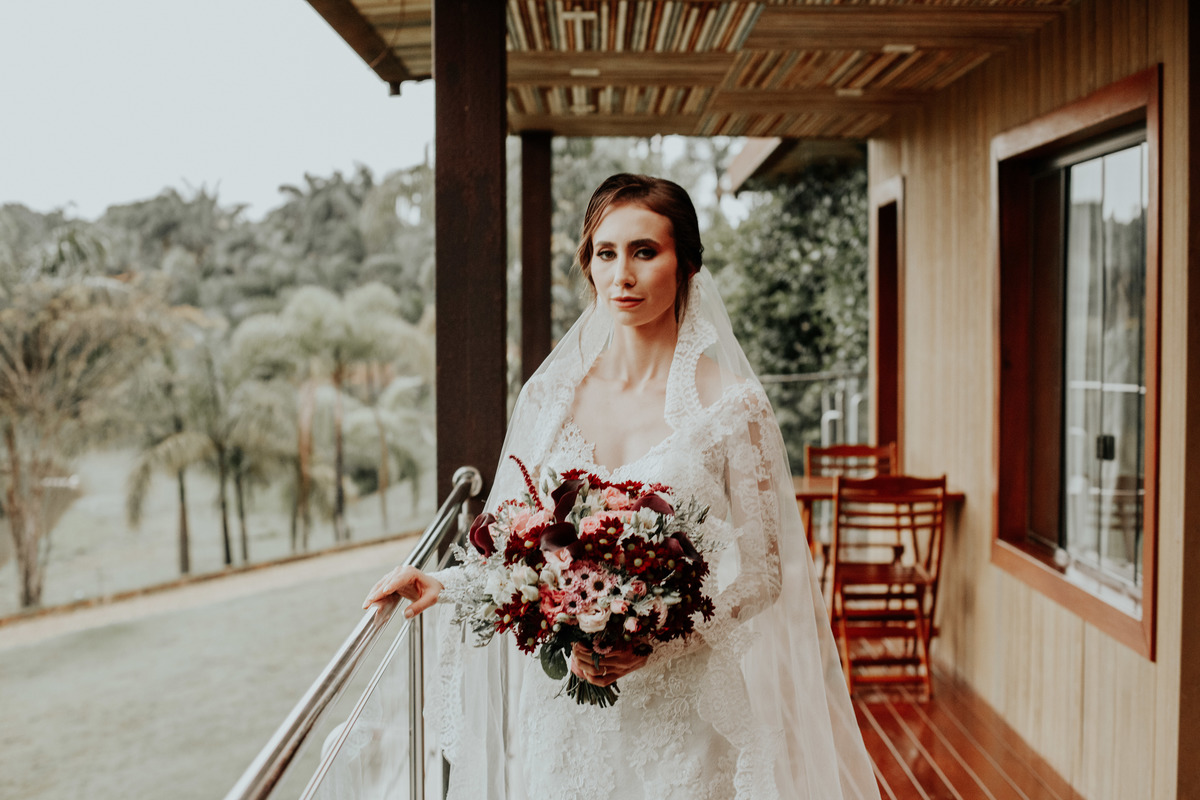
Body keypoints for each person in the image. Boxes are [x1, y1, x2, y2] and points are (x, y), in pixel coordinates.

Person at [362, 174, 880, 800]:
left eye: (644, 251)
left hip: (682, 719)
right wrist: (443, 584)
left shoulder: (733, 405)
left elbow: (766, 573)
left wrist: (659, 642)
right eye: (605, 253)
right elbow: (512, 546)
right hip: (566, 719)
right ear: (589, 264)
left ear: (687, 265)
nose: (622, 276)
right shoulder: (549, 398)